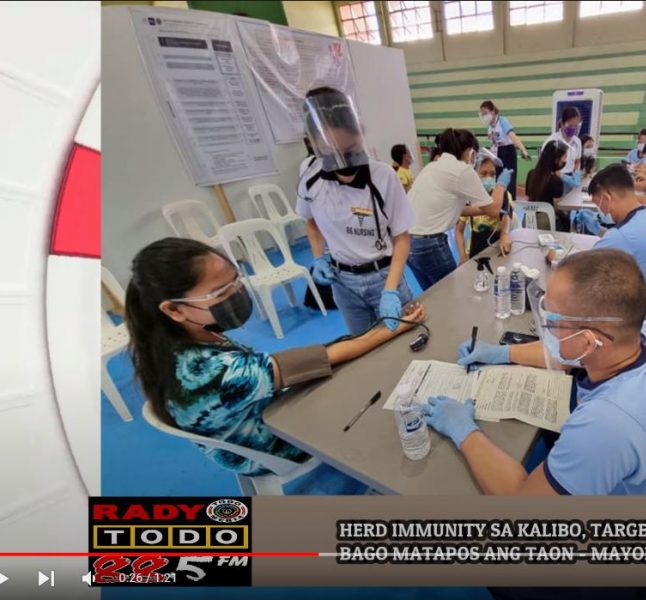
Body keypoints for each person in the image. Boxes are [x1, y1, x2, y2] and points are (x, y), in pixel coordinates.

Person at [125, 238, 426, 494]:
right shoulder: (218, 373)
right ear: (174, 309)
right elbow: (320, 358)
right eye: (220, 293)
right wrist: (394, 328)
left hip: (233, 434)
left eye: (236, 280)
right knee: (366, 390)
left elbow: (293, 363)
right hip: (269, 445)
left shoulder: (165, 345)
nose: (236, 293)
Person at [421, 248, 646, 497]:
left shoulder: (607, 426)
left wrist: (464, 431)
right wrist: (502, 353)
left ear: (589, 341)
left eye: (553, 319)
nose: (546, 326)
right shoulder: (641, 335)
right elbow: (567, 353)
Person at [296, 87, 415, 336]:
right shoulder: (309, 174)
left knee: (405, 340)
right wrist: (318, 257)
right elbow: (311, 222)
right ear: (314, 144)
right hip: (343, 282)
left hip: (384, 275)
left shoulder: (384, 176)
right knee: (362, 345)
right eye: (332, 153)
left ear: (360, 136)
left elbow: (402, 237)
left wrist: (391, 289)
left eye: (351, 149)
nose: (344, 161)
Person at [576, 165, 646, 345]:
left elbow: (579, 274)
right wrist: (599, 230)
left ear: (607, 198)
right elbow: (634, 242)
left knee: (585, 320)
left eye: (599, 205)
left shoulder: (621, 236)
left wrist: (553, 257)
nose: (602, 211)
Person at [406, 128, 512, 290]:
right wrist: (501, 184)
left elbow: (458, 209)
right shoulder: (462, 170)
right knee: (452, 295)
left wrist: (483, 209)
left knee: (432, 296)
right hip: (429, 245)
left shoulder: (432, 167)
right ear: (471, 153)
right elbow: (493, 210)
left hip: (407, 244)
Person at [456, 152, 512, 261]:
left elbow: (506, 217)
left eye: (492, 174)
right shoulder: (468, 198)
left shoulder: (502, 194)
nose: (489, 178)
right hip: (475, 249)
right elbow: (459, 230)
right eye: (484, 173)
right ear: (475, 175)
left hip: (497, 246)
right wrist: (462, 255)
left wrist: (504, 234)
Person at [480, 100, 531, 195]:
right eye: (482, 114)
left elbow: (513, 136)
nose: (484, 116)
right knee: (498, 179)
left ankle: (510, 202)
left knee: (509, 180)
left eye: (485, 113)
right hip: (498, 152)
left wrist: (523, 149)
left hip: (508, 151)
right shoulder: (490, 126)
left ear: (493, 111)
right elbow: (493, 143)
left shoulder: (502, 121)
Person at [525, 140, 570, 232]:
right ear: (556, 159)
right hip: (547, 223)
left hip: (528, 221)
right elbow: (558, 207)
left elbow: (528, 199)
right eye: (565, 157)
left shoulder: (531, 174)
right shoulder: (556, 181)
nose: (566, 160)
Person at [544, 106, 584, 190]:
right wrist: (560, 175)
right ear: (562, 123)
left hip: (570, 178)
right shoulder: (552, 141)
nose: (573, 128)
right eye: (570, 125)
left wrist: (576, 175)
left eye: (576, 126)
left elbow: (577, 161)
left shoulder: (577, 142)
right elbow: (545, 163)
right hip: (554, 178)